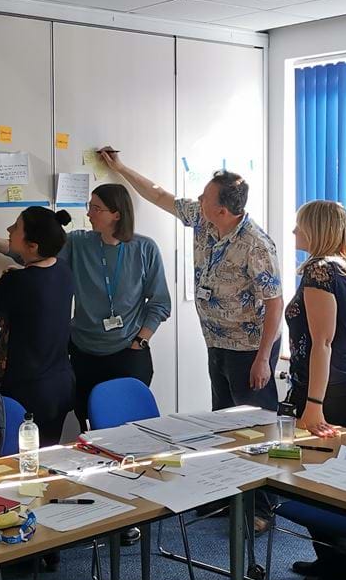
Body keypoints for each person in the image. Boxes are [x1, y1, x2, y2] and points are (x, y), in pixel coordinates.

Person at [0, 184, 170, 433]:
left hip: (127, 352)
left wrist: (140, 341)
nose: (88, 213)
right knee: (90, 428)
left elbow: (160, 302)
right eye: (89, 206)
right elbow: (33, 251)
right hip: (84, 353)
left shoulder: (145, 248)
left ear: (116, 214)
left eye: (96, 208)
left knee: (130, 427)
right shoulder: (79, 243)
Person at [101, 150, 283, 412]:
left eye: (204, 197)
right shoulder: (203, 218)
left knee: (253, 424)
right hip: (216, 341)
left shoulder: (256, 245)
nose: (198, 199)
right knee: (222, 419)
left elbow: (274, 302)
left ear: (222, 210)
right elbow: (159, 195)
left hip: (249, 349)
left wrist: (263, 358)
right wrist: (120, 168)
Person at [285, 199, 346, 580]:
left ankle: (337, 561)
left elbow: (321, 343)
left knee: (309, 474)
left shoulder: (320, 271)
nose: (294, 233)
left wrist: (313, 404)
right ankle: (340, 555)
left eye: (299, 227)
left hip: (324, 389)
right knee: (334, 472)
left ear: (317, 231)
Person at [0, 207, 74, 445]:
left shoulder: (17, 283)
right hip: (60, 386)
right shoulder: (62, 269)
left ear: (32, 245)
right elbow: (33, 276)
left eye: (16, 227)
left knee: (18, 463)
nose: (8, 230)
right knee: (46, 457)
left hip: (26, 392)